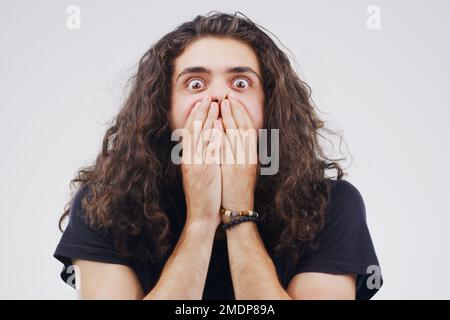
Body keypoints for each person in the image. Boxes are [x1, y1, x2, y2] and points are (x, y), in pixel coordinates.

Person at [54, 11, 383, 300]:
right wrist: (201, 221)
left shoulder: (331, 205)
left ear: (269, 108)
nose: (218, 96)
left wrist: (239, 213)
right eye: (195, 84)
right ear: (164, 110)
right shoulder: (105, 205)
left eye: (240, 82)